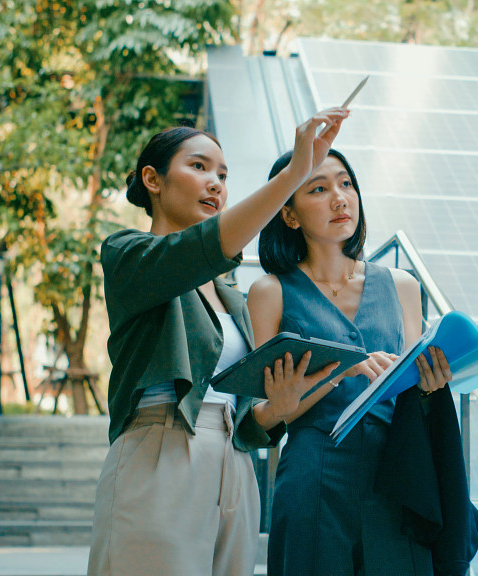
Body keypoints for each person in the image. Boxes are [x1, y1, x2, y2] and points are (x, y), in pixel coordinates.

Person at [86, 107, 349, 576]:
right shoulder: (128, 256)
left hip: (235, 464)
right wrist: (294, 175)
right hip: (159, 453)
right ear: (153, 179)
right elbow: (205, 249)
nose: (216, 184)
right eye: (199, 167)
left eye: (224, 175)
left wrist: (282, 406)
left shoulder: (233, 297)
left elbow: (249, 423)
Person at [246, 149, 455, 576]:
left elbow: (413, 395)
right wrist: (340, 369)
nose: (340, 198)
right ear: (289, 215)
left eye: (346, 183)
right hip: (312, 477)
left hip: (396, 477)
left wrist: (433, 386)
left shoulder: (402, 285)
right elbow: (263, 414)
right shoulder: (270, 292)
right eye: (319, 189)